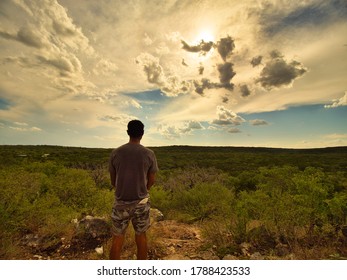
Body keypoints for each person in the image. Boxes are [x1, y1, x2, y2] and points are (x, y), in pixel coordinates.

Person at [108, 120, 158, 260]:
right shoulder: (149, 154)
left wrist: (123, 189)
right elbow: (152, 179)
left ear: (128, 132)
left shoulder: (116, 153)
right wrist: (143, 189)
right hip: (141, 203)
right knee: (141, 236)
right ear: (142, 134)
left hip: (120, 203)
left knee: (117, 238)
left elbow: (113, 181)